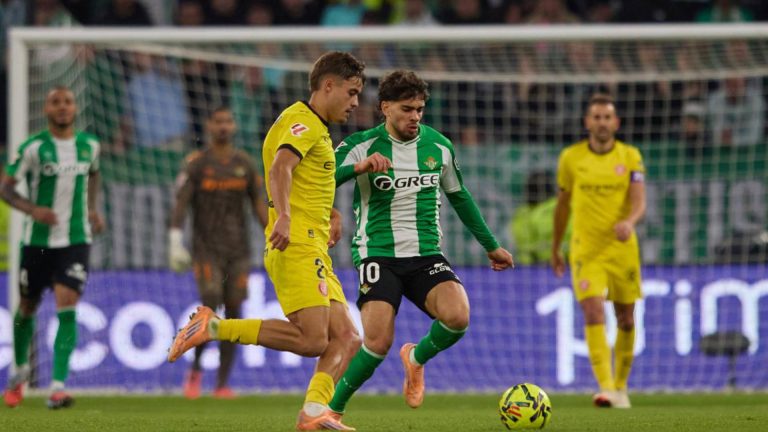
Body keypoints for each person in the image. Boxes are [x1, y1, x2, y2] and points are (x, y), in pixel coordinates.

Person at [168, 51, 365, 431]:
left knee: (347, 337)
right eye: (352, 92)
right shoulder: (303, 122)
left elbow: (305, 179)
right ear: (329, 85)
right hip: (297, 247)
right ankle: (213, 328)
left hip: (314, 244)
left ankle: (312, 413)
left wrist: (330, 213)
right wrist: (286, 217)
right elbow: (280, 168)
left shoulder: (311, 125)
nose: (356, 102)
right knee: (313, 341)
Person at [328, 70, 514, 419]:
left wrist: (491, 245)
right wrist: (360, 168)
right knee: (378, 342)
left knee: (458, 317)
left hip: (426, 253)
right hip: (378, 253)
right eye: (406, 109)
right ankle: (331, 411)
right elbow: (322, 175)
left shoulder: (439, 146)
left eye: (419, 109)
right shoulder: (360, 146)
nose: (414, 116)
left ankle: (415, 358)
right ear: (385, 108)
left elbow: (460, 197)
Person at [1, 86, 104, 409]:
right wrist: (33, 210)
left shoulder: (90, 146)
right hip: (37, 242)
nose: (62, 108)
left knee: (67, 304)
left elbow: (95, 176)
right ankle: (19, 372)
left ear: (75, 108)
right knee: (28, 307)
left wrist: (91, 209)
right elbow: (6, 188)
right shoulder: (32, 148)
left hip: (75, 239)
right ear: (46, 109)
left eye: (68, 102)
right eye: (56, 102)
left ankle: (58, 386)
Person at [551, 93, 646, 408]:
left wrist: (629, 222)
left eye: (607, 117)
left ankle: (620, 386)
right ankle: (605, 387)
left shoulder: (630, 156)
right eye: (597, 116)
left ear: (615, 123)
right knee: (592, 310)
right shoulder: (571, 158)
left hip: (621, 249)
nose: (602, 122)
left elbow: (638, 200)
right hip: (585, 249)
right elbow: (562, 206)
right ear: (587, 122)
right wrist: (555, 247)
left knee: (626, 319)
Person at [168, 107, 268, 400]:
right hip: (206, 250)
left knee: (235, 313)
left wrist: (273, 235)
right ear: (209, 125)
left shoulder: (245, 164)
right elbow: (181, 203)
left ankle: (222, 383)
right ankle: (196, 370)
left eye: (228, 120)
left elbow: (258, 205)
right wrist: (175, 239)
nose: (223, 126)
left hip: (238, 251)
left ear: (234, 125)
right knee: (210, 305)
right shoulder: (197, 164)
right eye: (218, 121)